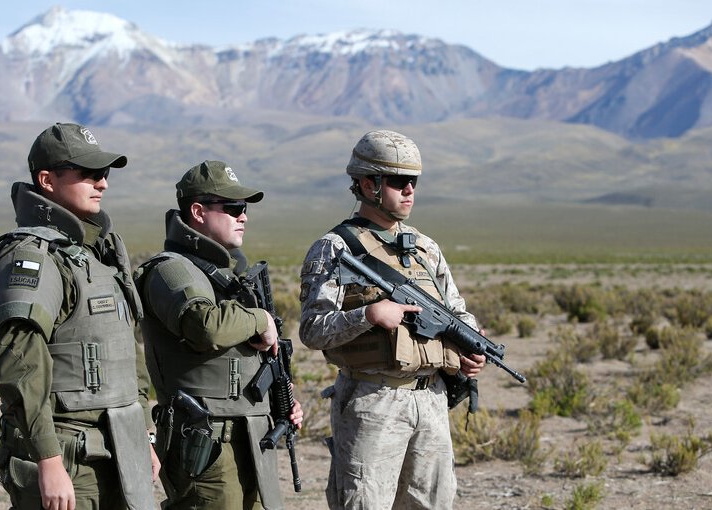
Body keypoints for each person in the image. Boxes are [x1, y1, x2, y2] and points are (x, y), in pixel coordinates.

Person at [298, 130, 486, 509]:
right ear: (369, 185)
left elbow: (456, 310)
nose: (409, 191)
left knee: (432, 502)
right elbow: (313, 330)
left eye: (414, 182)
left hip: (431, 398)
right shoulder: (335, 248)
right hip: (373, 398)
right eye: (399, 182)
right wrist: (367, 315)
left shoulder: (425, 248)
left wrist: (471, 347)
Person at [0, 123, 159, 510]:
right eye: (89, 173)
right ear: (46, 179)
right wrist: (48, 460)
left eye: (105, 173)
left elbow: (124, 355)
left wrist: (143, 435)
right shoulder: (31, 258)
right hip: (69, 459)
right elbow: (19, 366)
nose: (102, 183)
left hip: (115, 452)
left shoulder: (94, 255)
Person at [134, 160, 304, 510]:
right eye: (233, 208)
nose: (244, 216)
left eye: (244, 209)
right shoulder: (169, 271)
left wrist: (282, 400)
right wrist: (259, 320)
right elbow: (204, 326)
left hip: (251, 434)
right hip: (203, 443)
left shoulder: (226, 277)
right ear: (197, 211)